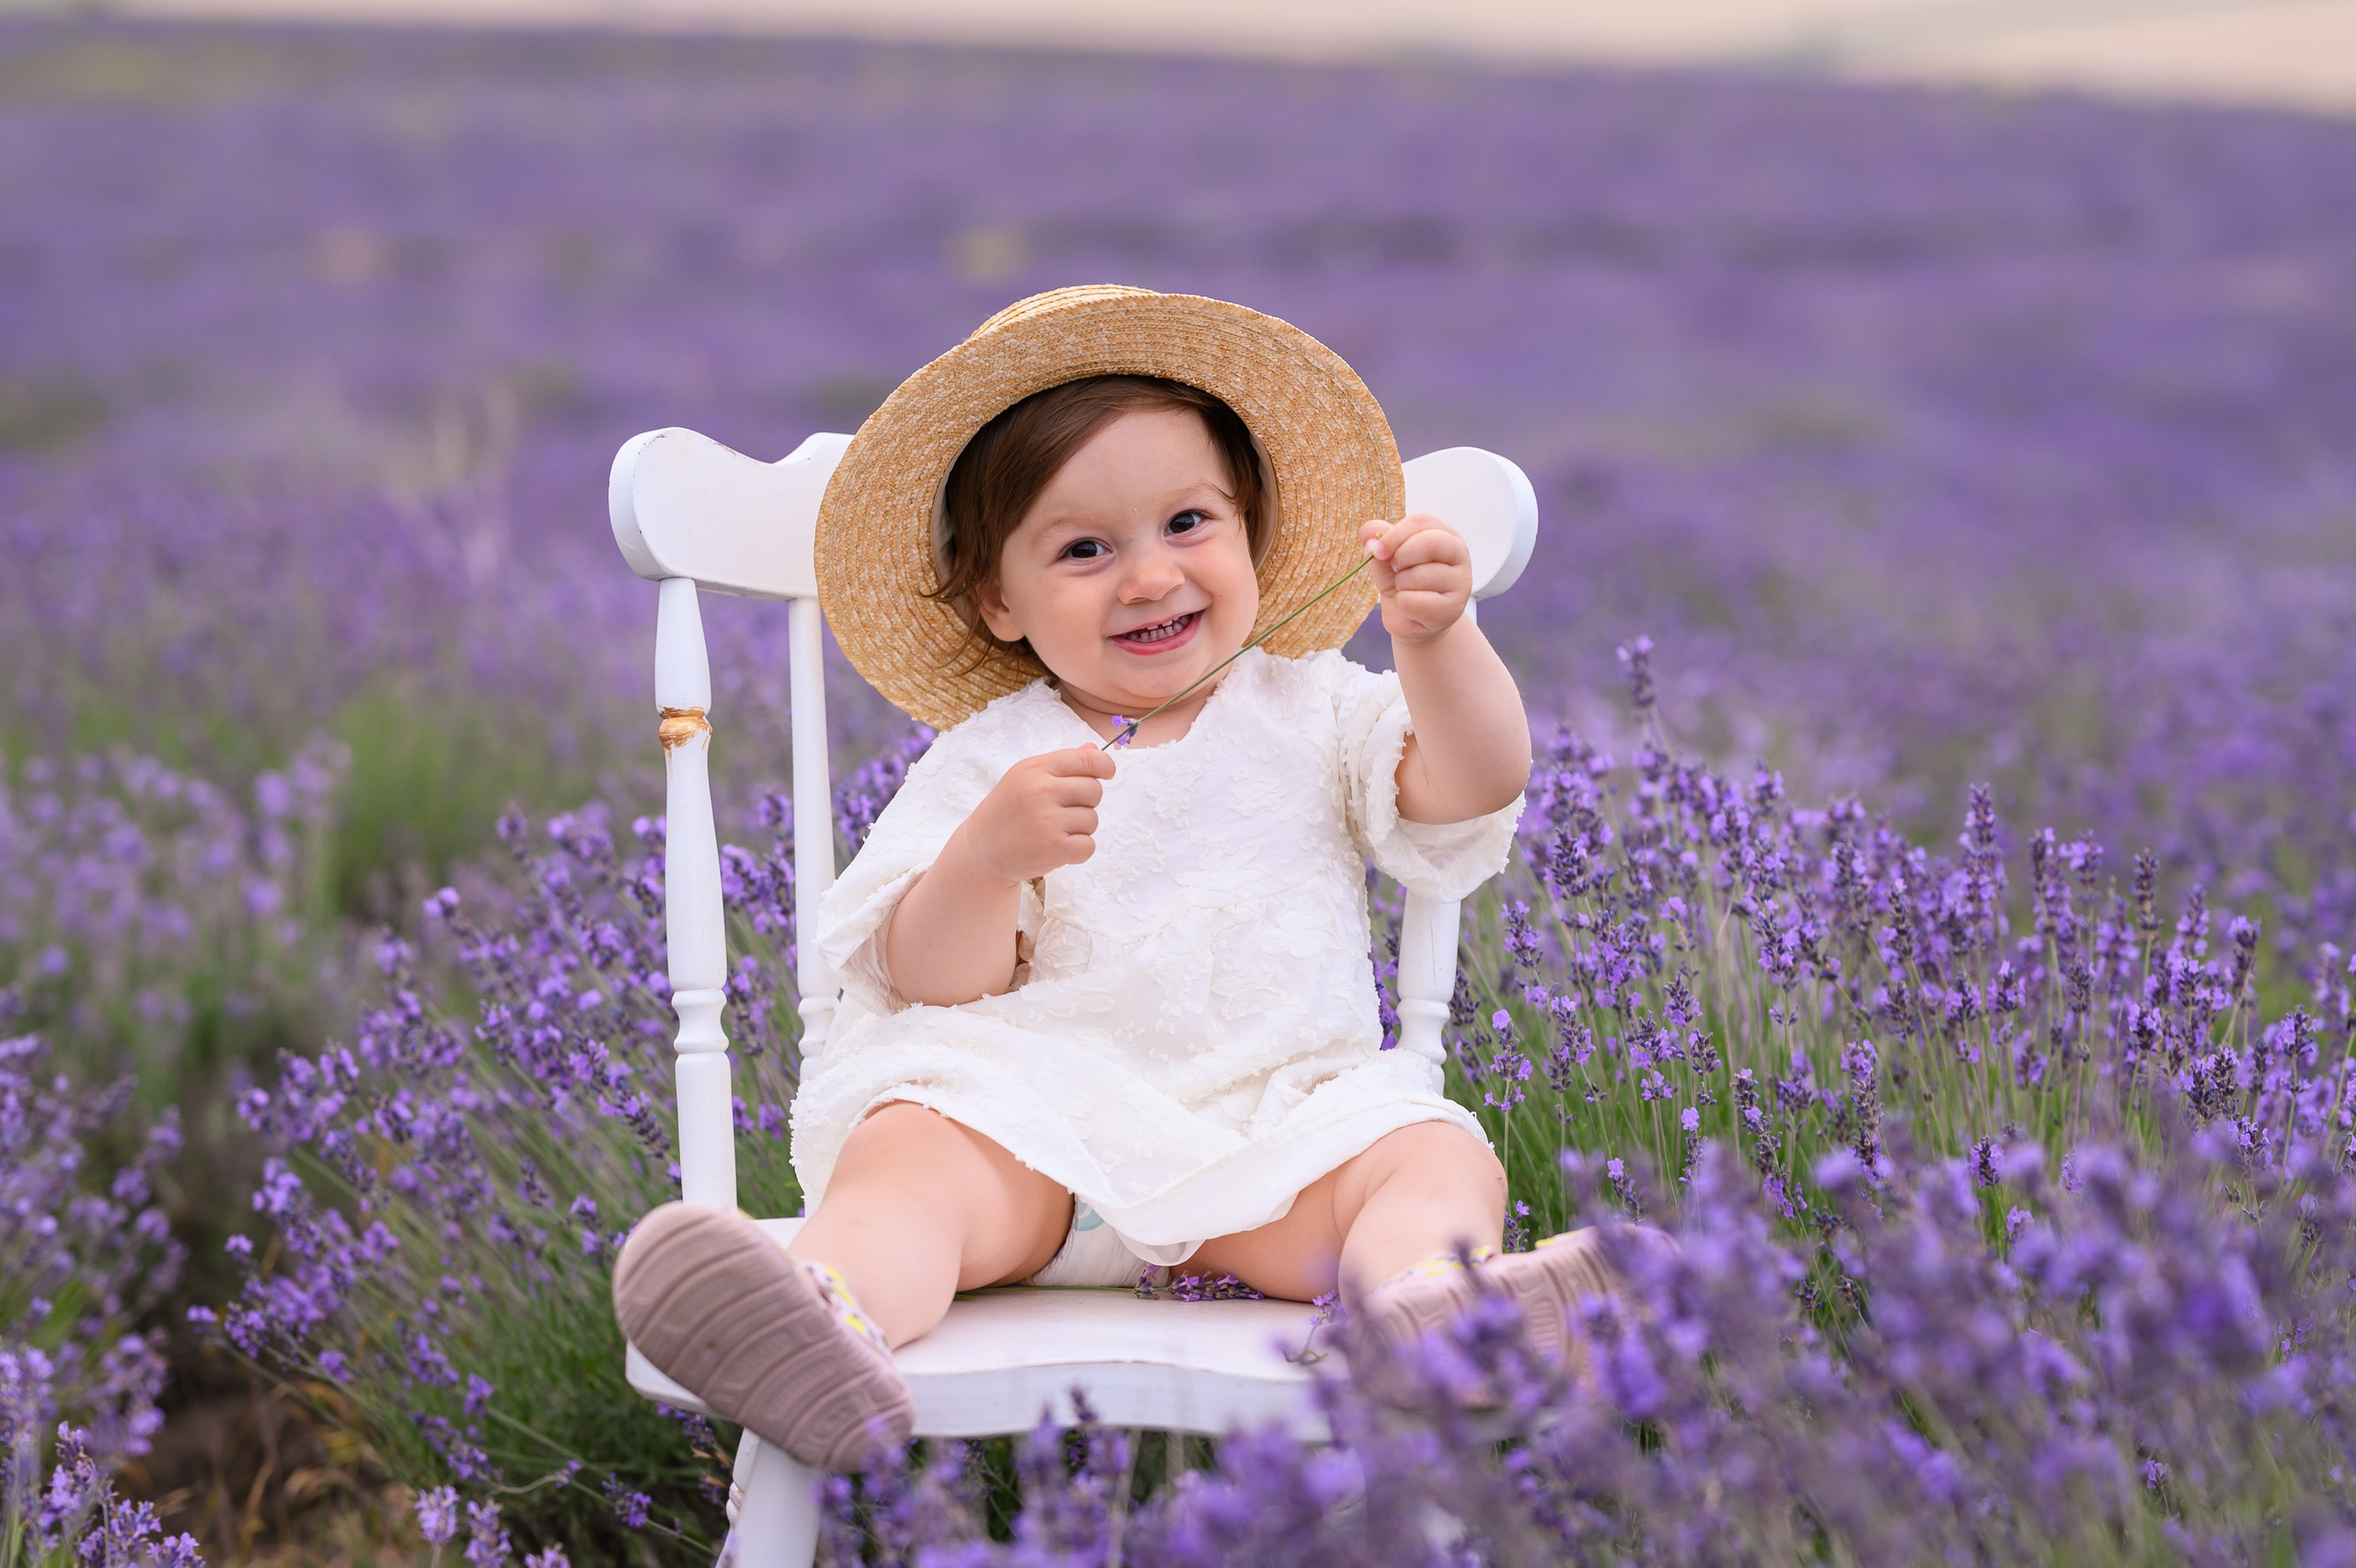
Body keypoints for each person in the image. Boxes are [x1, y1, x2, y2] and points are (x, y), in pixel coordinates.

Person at [612, 286, 1622, 1470]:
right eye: (1084, 549)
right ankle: (822, 1315)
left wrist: (1437, 642)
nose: (1147, 577)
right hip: (1038, 1147)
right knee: (913, 1151)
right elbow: (927, 983)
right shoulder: (993, 753)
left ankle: (1427, 1314)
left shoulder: (1316, 712)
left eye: (1188, 522)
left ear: (1250, 532)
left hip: (1268, 1146)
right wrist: (988, 862)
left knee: (1427, 1149)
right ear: (1000, 598)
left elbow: (1475, 781)